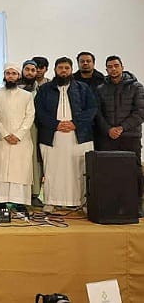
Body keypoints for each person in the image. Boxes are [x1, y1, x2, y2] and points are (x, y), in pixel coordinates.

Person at [35, 57, 97, 213]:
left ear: (71, 70)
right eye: (60, 68)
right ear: (55, 70)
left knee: (79, 170)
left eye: (66, 68)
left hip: (78, 135)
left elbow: (92, 109)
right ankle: (51, 201)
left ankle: (81, 202)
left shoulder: (82, 88)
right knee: (52, 170)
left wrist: (75, 123)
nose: (63, 71)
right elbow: (39, 112)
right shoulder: (45, 89)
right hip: (52, 136)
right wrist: (55, 124)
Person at [94, 55, 144, 216]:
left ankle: (137, 205)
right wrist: (108, 129)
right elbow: (98, 113)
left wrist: (122, 128)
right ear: (106, 69)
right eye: (110, 67)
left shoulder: (136, 87)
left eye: (116, 66)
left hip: (130, 137)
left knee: (133, 171)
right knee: (109, 172)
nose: (113, 69)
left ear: (122, 67)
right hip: (108, 138)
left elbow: (140, 112)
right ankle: (111, 205)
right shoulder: (101, 89)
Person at [0, 63, 36, 211]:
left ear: (18, 76)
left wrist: (18, 135)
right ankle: (1, 201)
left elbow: (30, 116)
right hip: (2, 139)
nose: (10, 76)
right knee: (2, 170)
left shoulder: (27, 96)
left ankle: (20, 202)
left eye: (13, 73)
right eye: (8, 73)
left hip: (21, 140)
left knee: (20, 171)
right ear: (4, 75)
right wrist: (4, 134)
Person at [17, 59, 44, 207]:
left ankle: (34, 193)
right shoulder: (14, 88)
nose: (30, 72)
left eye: (33, 70)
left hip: (34, 128)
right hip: (15, 129)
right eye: (27, 69)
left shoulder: (41, 90)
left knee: (34, 160)